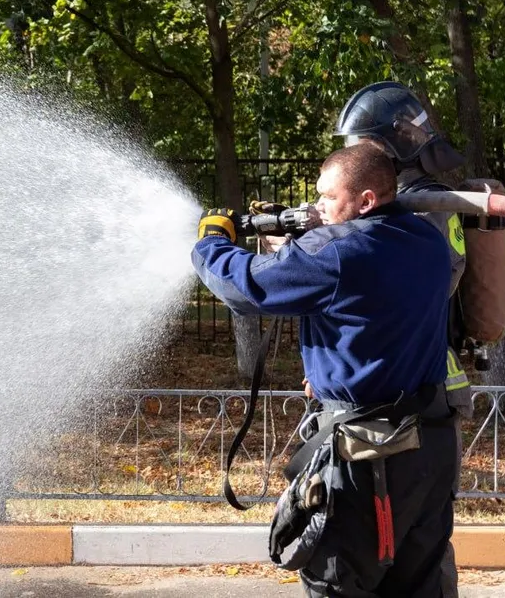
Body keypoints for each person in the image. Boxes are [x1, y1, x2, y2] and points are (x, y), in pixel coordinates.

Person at [193, 143, 457, 597]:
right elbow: (369, 312)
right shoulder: (427, 241)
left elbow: (248, 288)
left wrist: (211, 241)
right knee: (418, 586)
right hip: (429, 449)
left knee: (337, 581)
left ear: (367, 200)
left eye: (326, 198)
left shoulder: (337, 252)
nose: (315, 208)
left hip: (368, 458)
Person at [334, 81, 472, 598]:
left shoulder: (419, 209)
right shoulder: (428, 205)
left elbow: (386, 286)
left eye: (362, 148)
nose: (354, 157)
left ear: (391, 147)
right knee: (416, 543)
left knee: (405, 550)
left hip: (409, 400)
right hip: (424, 390)